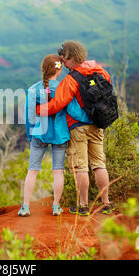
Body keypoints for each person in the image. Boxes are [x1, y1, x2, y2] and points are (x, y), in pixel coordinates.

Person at [36, 41, 115, 216]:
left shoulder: (71, 79)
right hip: (98, 123)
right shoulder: (101, 71)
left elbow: (57, 104)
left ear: (70, 57)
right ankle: (106, 203)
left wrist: (39, 110)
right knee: (99, 164)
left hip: (78, 128)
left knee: (81, 167)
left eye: (64, 59)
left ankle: (83, 206)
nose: (63, 63)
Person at [19, 54, 91, 217]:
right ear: (58, 71)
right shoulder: (64, 88)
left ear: (43, 69)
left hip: (39, 134)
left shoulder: (33, 90)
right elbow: (74, 112)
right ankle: (56, 207)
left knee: (32, 170)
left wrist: (31, 136)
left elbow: (29, 118)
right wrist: (91, 118)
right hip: (59, 134)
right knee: (58, 171)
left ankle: (25, 207)